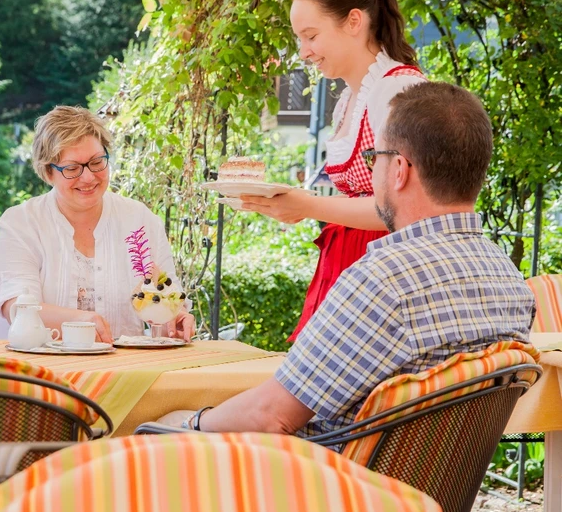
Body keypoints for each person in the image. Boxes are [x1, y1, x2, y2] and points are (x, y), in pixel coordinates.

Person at [163, 82, 536, 437]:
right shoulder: (512, 284)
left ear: (400, 170)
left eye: (374, 156)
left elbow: (271, 415)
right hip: (430, 497)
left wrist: (190, 423)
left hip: (334, 489)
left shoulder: (384, 281)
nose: (372, 170)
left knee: (162, 426)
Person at [242, 0, 426, 341]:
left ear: (354, 21)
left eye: (310, 36)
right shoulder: (348, 99)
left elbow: (404, 211)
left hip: (386, 273)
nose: (304, 51)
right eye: (299, 39)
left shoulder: (397, 90)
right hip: (351, 265)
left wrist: (308, 205)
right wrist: (293, 204)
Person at [0, 106, 195, 343]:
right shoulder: (22, 223)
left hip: (118, 367)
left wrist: (174, 319)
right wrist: (82, 321)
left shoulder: (139, 220)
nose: (88, 177)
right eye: (72, 168)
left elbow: (166, 297)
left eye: (97, 162)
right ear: (47, 172)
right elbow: (18, 308)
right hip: (26, 366)